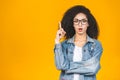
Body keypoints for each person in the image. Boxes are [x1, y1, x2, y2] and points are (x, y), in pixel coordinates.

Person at [54, 5, 103, 80]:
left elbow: (92, 68)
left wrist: (66, 66)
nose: (80, 24)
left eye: (83, 21)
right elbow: (60, 66)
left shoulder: (95, 45)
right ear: (73, 24)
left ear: (88, 24)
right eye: (76, 21)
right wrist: (57, 41)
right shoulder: (64, 45)